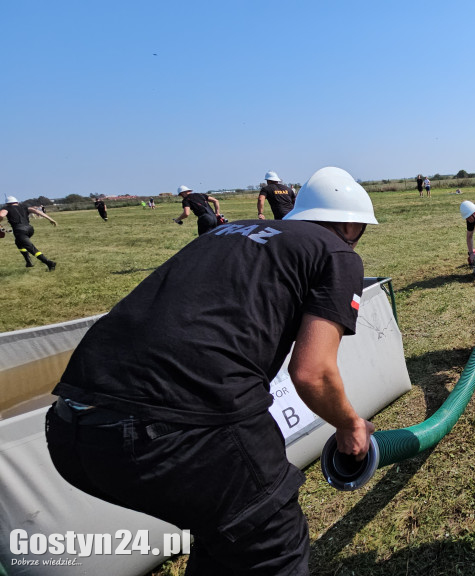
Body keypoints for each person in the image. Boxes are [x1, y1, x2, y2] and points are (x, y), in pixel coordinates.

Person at [46, 167, 377, 575]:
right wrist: (349, 425)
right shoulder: (336, 251)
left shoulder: (227, 232)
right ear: (349, 223)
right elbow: (313, 373)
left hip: (71, 428)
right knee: (274, 541)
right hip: (179, 431)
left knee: (225, 532)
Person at [0, 195, 58, 271]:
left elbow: (1, 215)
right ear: (17, 202)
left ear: (7, 203)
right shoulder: (24, 207)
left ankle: (49, 263)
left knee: (31, 248)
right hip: (30, 229)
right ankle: (28, 262)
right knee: (18, 243)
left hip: (20, 231)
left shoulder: (6, 208)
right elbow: (37, 211)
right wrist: (51, 219)